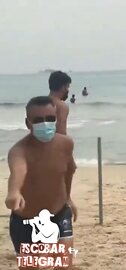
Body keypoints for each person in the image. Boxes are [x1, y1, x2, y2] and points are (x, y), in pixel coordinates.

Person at [4, 96, 77, 269]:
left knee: (64, 263)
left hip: (59, 213)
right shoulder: (19, 151)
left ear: (56, 119)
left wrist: (68, 197)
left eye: (50, 119)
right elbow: (18, 172)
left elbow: (69, 170)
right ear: (28, 123)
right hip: (26, 220)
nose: (45, 124)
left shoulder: (66, 144)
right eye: (38, 120)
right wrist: (14, 192)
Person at [48, 71, 71, 135]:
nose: (68, 90)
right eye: (68, 87)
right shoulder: (61, 106)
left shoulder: (41, 104)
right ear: (63, 87)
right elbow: (61, 132)